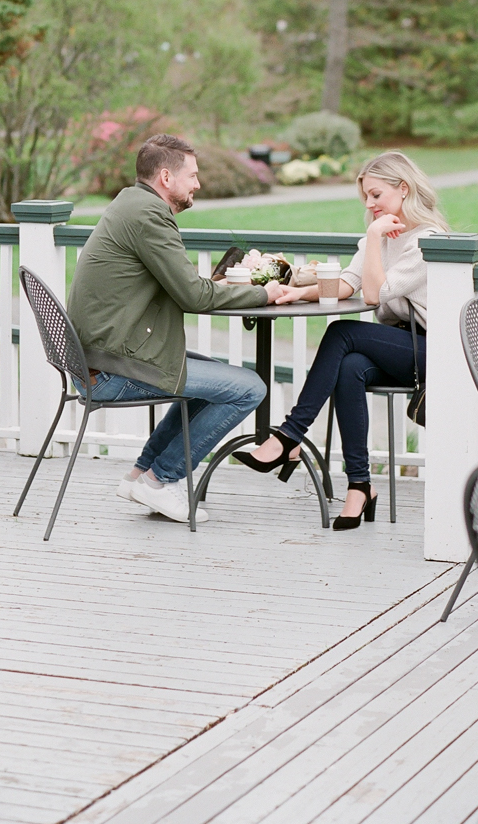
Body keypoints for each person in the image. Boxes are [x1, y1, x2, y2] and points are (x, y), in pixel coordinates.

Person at [67, 133, 286, 524]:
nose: (198, 184)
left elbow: (183, 287)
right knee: (249, 388)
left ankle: (141, 474)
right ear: (166, 178)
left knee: (215, 379)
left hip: (102, 357)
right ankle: (160, 480)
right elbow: (193, 297)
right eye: (192, 176)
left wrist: (213, 287)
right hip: (110, 370)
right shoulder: (149, 216)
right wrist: (264, 295)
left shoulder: (131, 203)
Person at [235, 151, 448, 531]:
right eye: (366, 196)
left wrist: (372, 234)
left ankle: (289, 435)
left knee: (342, 331)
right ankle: (360, 486)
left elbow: (372, 294)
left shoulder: (427, 241)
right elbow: (348, 282)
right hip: (397, 343)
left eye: (376, 195)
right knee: (349, 367)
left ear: (404, 189)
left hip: (434, 350)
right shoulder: (379, 233)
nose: (370, 204)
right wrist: (294, 294)